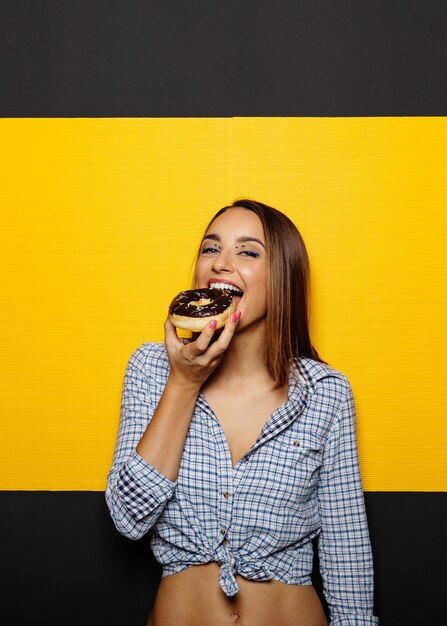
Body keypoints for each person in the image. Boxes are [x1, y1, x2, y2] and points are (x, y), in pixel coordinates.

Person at [105, 199, 379, 626]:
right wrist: (183, 382)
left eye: (248, 252)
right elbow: (128, 517)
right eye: (210, 249)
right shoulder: (150, 368)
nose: (221, 263)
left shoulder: (326, 393)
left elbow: (347, 550)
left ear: (282, 278)